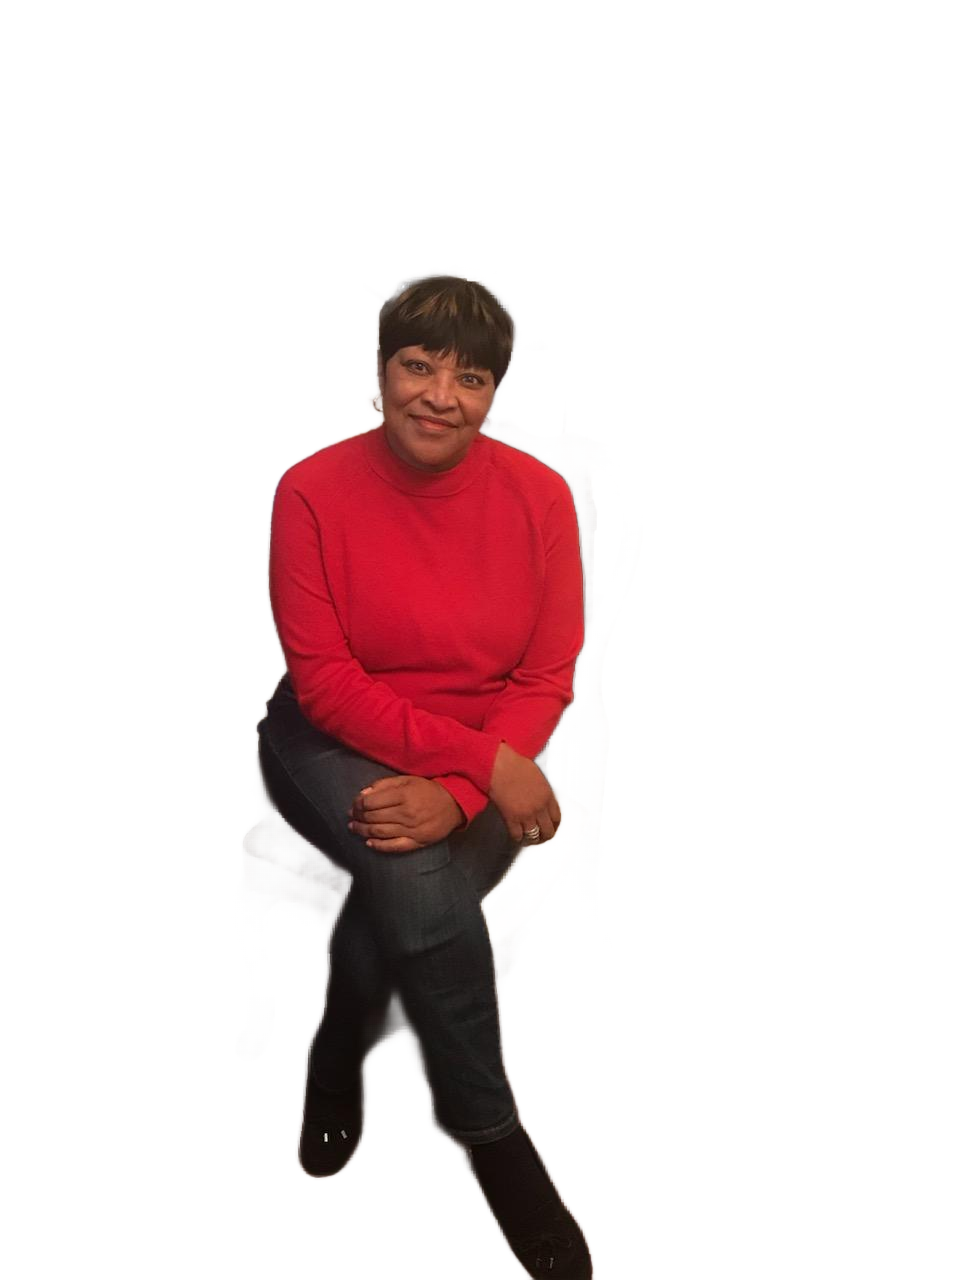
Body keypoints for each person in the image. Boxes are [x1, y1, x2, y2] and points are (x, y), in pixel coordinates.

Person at [256, 275, 592, 1278]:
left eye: (471, 377)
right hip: (330, 736)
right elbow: (327, 683)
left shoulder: (541, 496)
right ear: (381, 368)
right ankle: (496, 1137)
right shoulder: (311, 490)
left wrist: (461, 791)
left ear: (493, 393)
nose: (441, 394)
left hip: (480, 757)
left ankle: (337, 1046)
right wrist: (488, 766)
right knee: (413, 875)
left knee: (405, 887)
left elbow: (545, 673)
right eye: (418, 365)